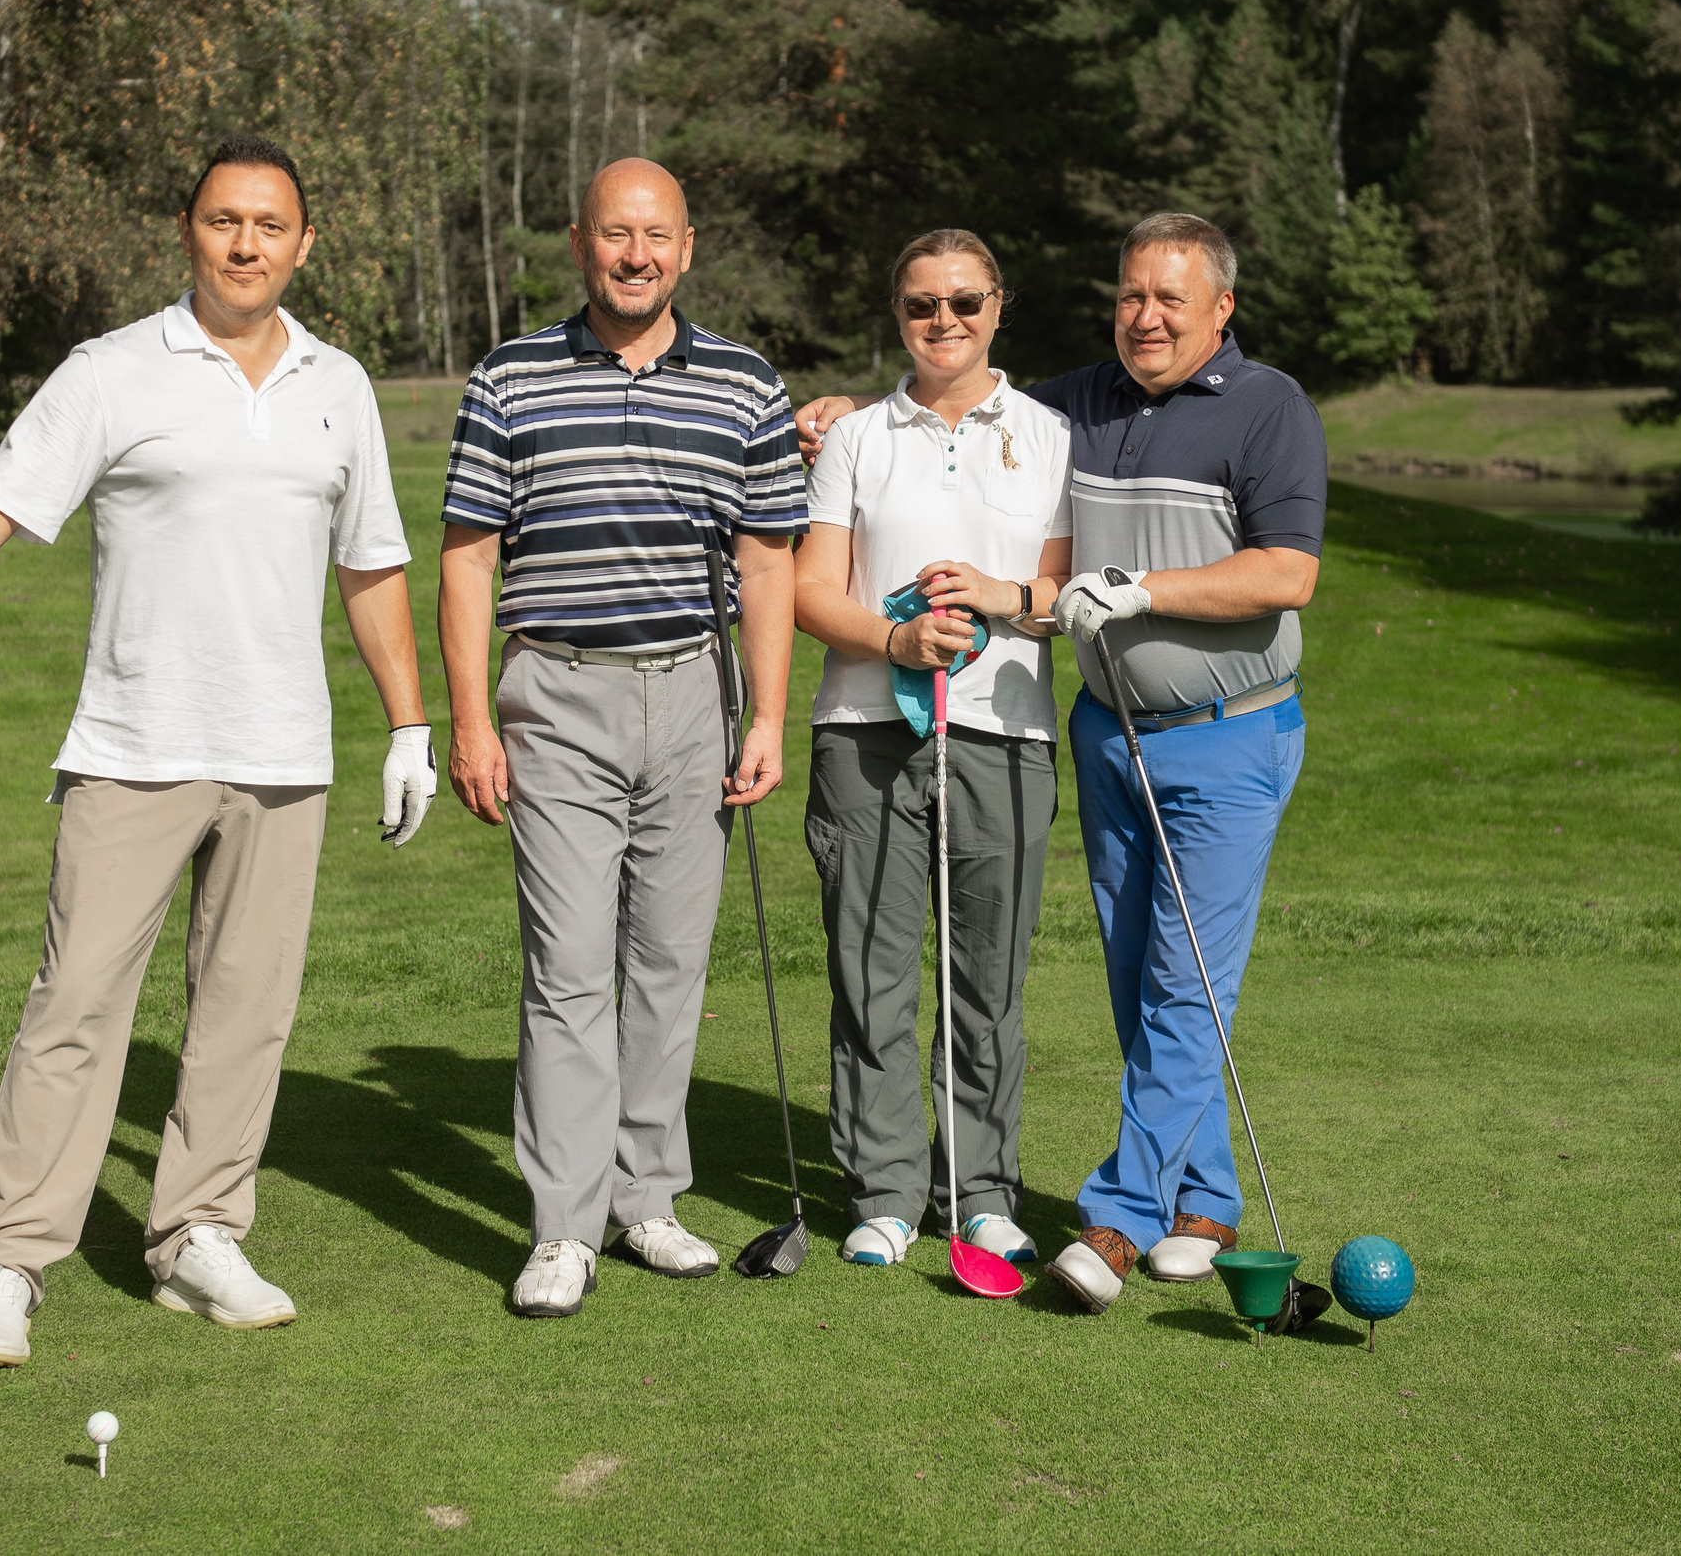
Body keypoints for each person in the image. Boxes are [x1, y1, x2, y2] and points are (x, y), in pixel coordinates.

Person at [0, 135, 435, 1367]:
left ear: (303, 243)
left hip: (282, 752)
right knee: (75, 1006)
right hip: (133, 742)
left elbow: (370, 563)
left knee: (245, 1011)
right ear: (188, 230)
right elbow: (0, 501)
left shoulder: (340, 384)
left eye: (269, 224)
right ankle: (7, 1256)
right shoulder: (110, 371)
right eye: (223, 220)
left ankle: (197, 1231)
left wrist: (409, 724)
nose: (246, 243)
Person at [793, 212, 1324, 1316]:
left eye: (1171, 298)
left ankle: (1121, 1214)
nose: (1147, 315)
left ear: (1220, 307)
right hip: (1113, 735)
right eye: (1131, 293)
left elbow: (1286, 574)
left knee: (1183, 983)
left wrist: (1135, 589)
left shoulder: (1267, 404)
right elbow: (952, 407)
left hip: (1229, 731)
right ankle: (1205, 1199)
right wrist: (842, 414)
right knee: (1144, 984)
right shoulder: (1079, 404)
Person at [439, 157, 805, 1318]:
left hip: (695, 694)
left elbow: (766, 561)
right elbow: (466, 557)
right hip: (557, 694)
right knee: (569, 970)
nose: (634, 254)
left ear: (686, 247)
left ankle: (644, 1197)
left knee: (667, 963)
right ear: (580, 243)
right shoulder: (509, 377)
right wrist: (467, 719)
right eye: (614, 234)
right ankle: (562, 1223)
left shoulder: (746, 384)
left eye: (654, 235)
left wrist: (769, 715)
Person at [791, 229, 1072, 1273]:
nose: (942, 321)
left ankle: (981, 1188)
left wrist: (1004, 602)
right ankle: (885, 1185)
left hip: (1004, 731)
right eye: (920, 305)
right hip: (865, 731)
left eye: (963, 300)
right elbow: (816, 590)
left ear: (999, 304)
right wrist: (896, 638)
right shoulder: (858, 436)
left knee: (984, 977)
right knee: (869, 971)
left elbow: (1059, 598)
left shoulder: (1047, 433)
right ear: (896, 314)